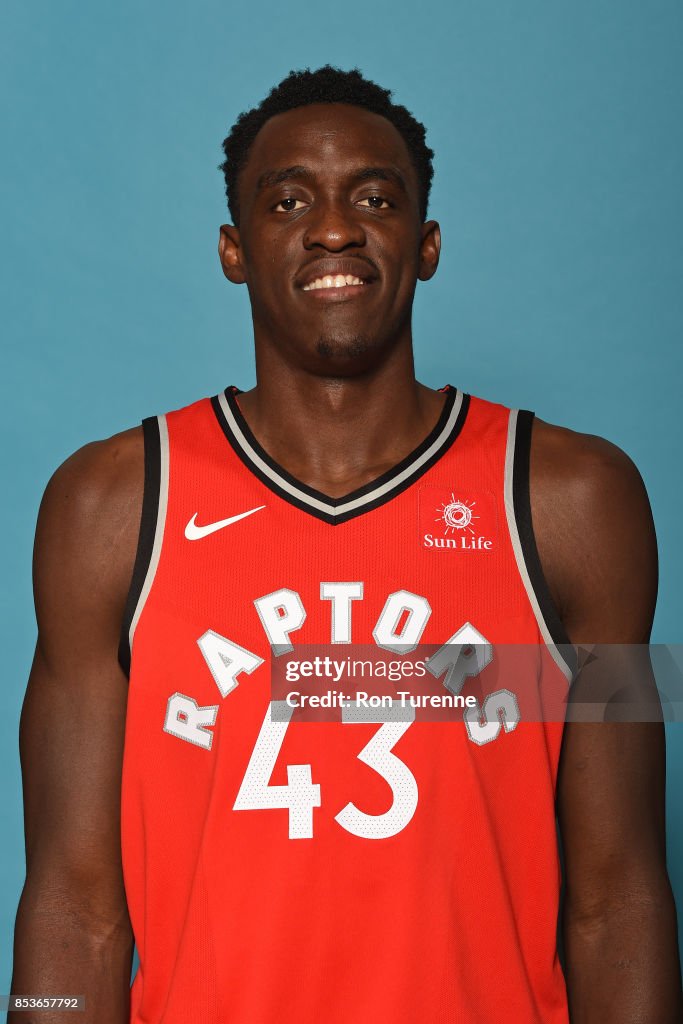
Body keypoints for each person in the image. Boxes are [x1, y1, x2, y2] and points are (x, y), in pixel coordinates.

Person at [9, 65, 681, 1024]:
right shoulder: (112, 505)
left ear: (427, 243)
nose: (334, 227)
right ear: (234, 251)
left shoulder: (576, 499)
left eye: (375, 197)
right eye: (289, 200)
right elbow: (72, 904)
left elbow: (618, 896)